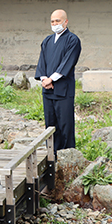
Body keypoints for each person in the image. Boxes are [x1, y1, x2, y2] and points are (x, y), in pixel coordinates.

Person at [35, 9, 82, 154]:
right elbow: (41, 63)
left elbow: (67, 63)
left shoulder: (73, 40)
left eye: (58, 21)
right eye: (52, 21)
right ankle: (52, 156)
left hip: (63, 90)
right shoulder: (47, 41)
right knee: (50, 125)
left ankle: (67, 156)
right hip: (48, 90)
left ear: (66, 22)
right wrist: (44, 79)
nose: (55, 24)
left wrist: (52, 78)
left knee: (65, 125)